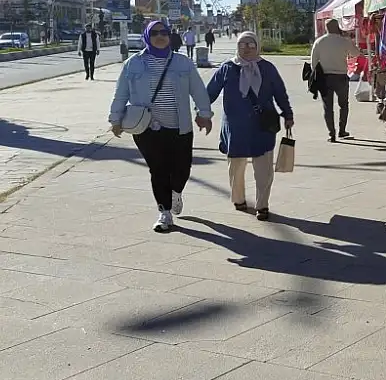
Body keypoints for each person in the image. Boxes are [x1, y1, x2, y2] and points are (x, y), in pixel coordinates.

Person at [109, 20, 214, 232]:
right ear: (147, 36)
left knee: (182, 168)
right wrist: (115, 119)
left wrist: (204, 114)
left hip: (179, 126)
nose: (160, 36)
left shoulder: (183, 62)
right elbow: (121, 93)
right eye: (154, 33)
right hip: (146, 128)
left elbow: (198, 90)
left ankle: (176, 192)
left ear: (169, 36)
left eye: (164, 32)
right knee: (158, 169)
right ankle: (164, 212)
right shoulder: (133, 64)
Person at [206, 32, 294, 221]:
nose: (247, 48)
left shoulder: (267, 68)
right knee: (236, 167)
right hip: (236, 127)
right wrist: (202, 112)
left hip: (262, 126)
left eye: (251, 44)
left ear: (257, 46)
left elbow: (280, 92)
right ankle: (238, 199)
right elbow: (211, 91)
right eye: (243, 44)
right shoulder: (227, 68)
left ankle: (262, 205)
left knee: (264, 170)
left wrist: (288, 114)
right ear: (237, 47)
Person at [310, 19, 361, 142]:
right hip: (341, 77)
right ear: (337, 27)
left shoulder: (319, 42)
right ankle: (342, 130)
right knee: (343, 105)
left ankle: (331, 134)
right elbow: (356, 53)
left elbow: (313, 63)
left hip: (325, 78)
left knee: (328, 107)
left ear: (326, 28)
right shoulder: (344, 41)